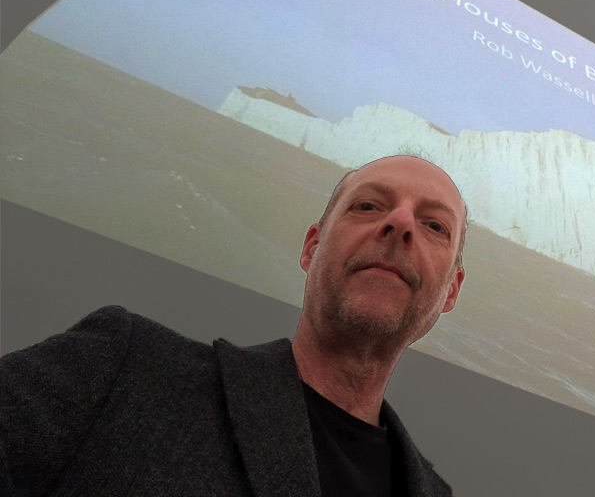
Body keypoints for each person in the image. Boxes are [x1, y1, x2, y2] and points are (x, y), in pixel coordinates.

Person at [0, 155, 466, 496]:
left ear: (450, 291)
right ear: (311, 248)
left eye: (435, 226)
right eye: (367, 206)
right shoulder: (124, 367)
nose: (400, 222)